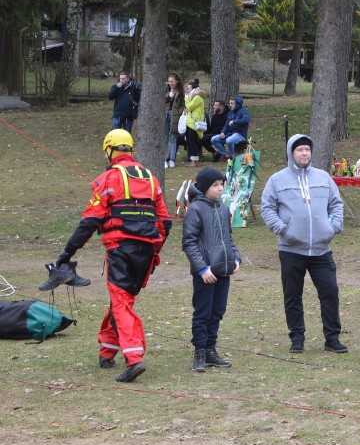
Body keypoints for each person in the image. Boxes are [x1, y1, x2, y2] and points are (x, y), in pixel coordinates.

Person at [52, 129, 171, 382]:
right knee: (122, 300)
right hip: (147, 252)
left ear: (109, 150)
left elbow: (90, 221)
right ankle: (107, 350)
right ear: (130, 149)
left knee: (121, 302)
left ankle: (134, 358)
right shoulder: (151, 179)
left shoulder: (109, 179)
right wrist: (154, 252)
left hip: (120, 250)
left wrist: (67, 253)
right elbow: (166, 223)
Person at [260, 134, 347, 354]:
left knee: (330, 292)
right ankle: (297, 338)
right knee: (292, 295)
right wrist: (282, 229)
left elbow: (336, 204)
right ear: (291, 153)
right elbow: (267, 207)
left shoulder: (323, 177)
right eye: (300, 150)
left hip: (321, 249)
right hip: (291, 249)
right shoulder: (277, 180)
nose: (304, 153)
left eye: (307, 149)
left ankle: (332, 338)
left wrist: (334, 226)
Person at [182, 167, 241, 372]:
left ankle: (210, 349)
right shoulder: (196, 209)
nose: (219, 189)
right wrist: (202, 269)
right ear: (205, 187)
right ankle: (199, 351)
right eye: (215, 185)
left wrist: (236, 259)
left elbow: (228, 239)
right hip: (205, 272)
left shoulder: (223, 208)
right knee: (203, 312)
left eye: (221, 185)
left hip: (223, 269)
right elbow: (189, 243)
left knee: (217, 312)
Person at [212, 96, 250, 160]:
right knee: (214, 139)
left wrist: (234, 121)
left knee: (229, 140)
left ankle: (232, 157)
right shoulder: (230, 113)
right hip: (230, 134)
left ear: (237, 104)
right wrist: (223, 132)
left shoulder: (244, 112)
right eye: (230, 103)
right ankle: (226, 155)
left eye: (232, 103)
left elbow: (246, 120)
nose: (230, 105)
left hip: (240, 134)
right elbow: (226, 125)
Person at [164, 73, 185, 168]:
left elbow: (183, 104)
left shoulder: (181, 91)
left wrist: (179, 113)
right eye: (169, 81)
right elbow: (163, 101)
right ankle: (164, 159)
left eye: (172, 81)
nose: (170, 83)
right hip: (165, 115)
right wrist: (169, 96)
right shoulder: (165, 89)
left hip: (175, 116)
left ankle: (172, 159)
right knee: (164, 138)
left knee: (173, 138)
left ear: (176, 81)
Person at [183, 79, 206, 167]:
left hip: (194, 123)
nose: (187, 91)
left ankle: (195, 161)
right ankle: (193, 159)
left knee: (192, 142)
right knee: (189, 141)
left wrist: (186, 98)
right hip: (190, 122)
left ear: (193, 89)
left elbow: (189, 107)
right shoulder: (192, 97)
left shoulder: (197, 97)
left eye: (188, 89)